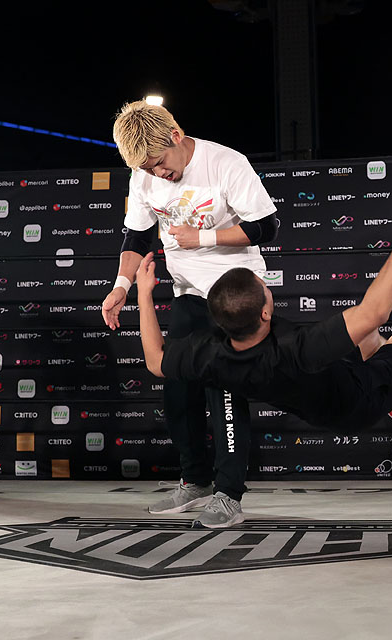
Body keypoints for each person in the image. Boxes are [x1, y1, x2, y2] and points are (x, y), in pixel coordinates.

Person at [135, 173, 392, 527]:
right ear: (265, 313)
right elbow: (377, 309)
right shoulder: (294, 349)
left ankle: (376, 346)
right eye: (263, 288)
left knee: (365, 333)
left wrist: (143, 293)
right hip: (358, 400)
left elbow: (155, 360)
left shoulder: (210, 354)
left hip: (321, 389)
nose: (266, 284)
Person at [102, 100, 279, 525]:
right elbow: (137, 237)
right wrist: (121, 286)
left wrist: (202, 238)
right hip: (187, 292)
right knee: (177, 387)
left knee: (225, 389)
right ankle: (195, 480)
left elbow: (267, 227)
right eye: (147, 169)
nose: (157, 174)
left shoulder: (225, 163)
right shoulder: (143, 176)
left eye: (159, 163)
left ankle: (229, 494)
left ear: (176, 136)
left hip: (235, 292)